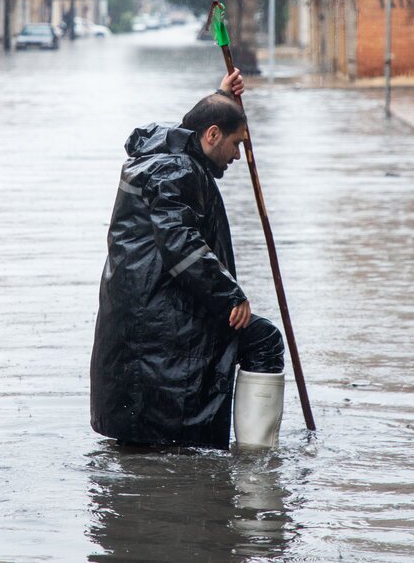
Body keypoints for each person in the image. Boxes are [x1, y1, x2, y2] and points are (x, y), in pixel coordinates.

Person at [90, 70, 286, 450]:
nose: (238, 155)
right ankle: (257, 461)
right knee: (263, 340)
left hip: (148, 313)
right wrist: (230, 295)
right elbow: (179, 240)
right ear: (212, 135)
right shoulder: (176, 170)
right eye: (236, 143)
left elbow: (195, 128)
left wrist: (221, 97)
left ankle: (251, 452)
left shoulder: (164, 152)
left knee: (256, 338)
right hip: (160, 319)